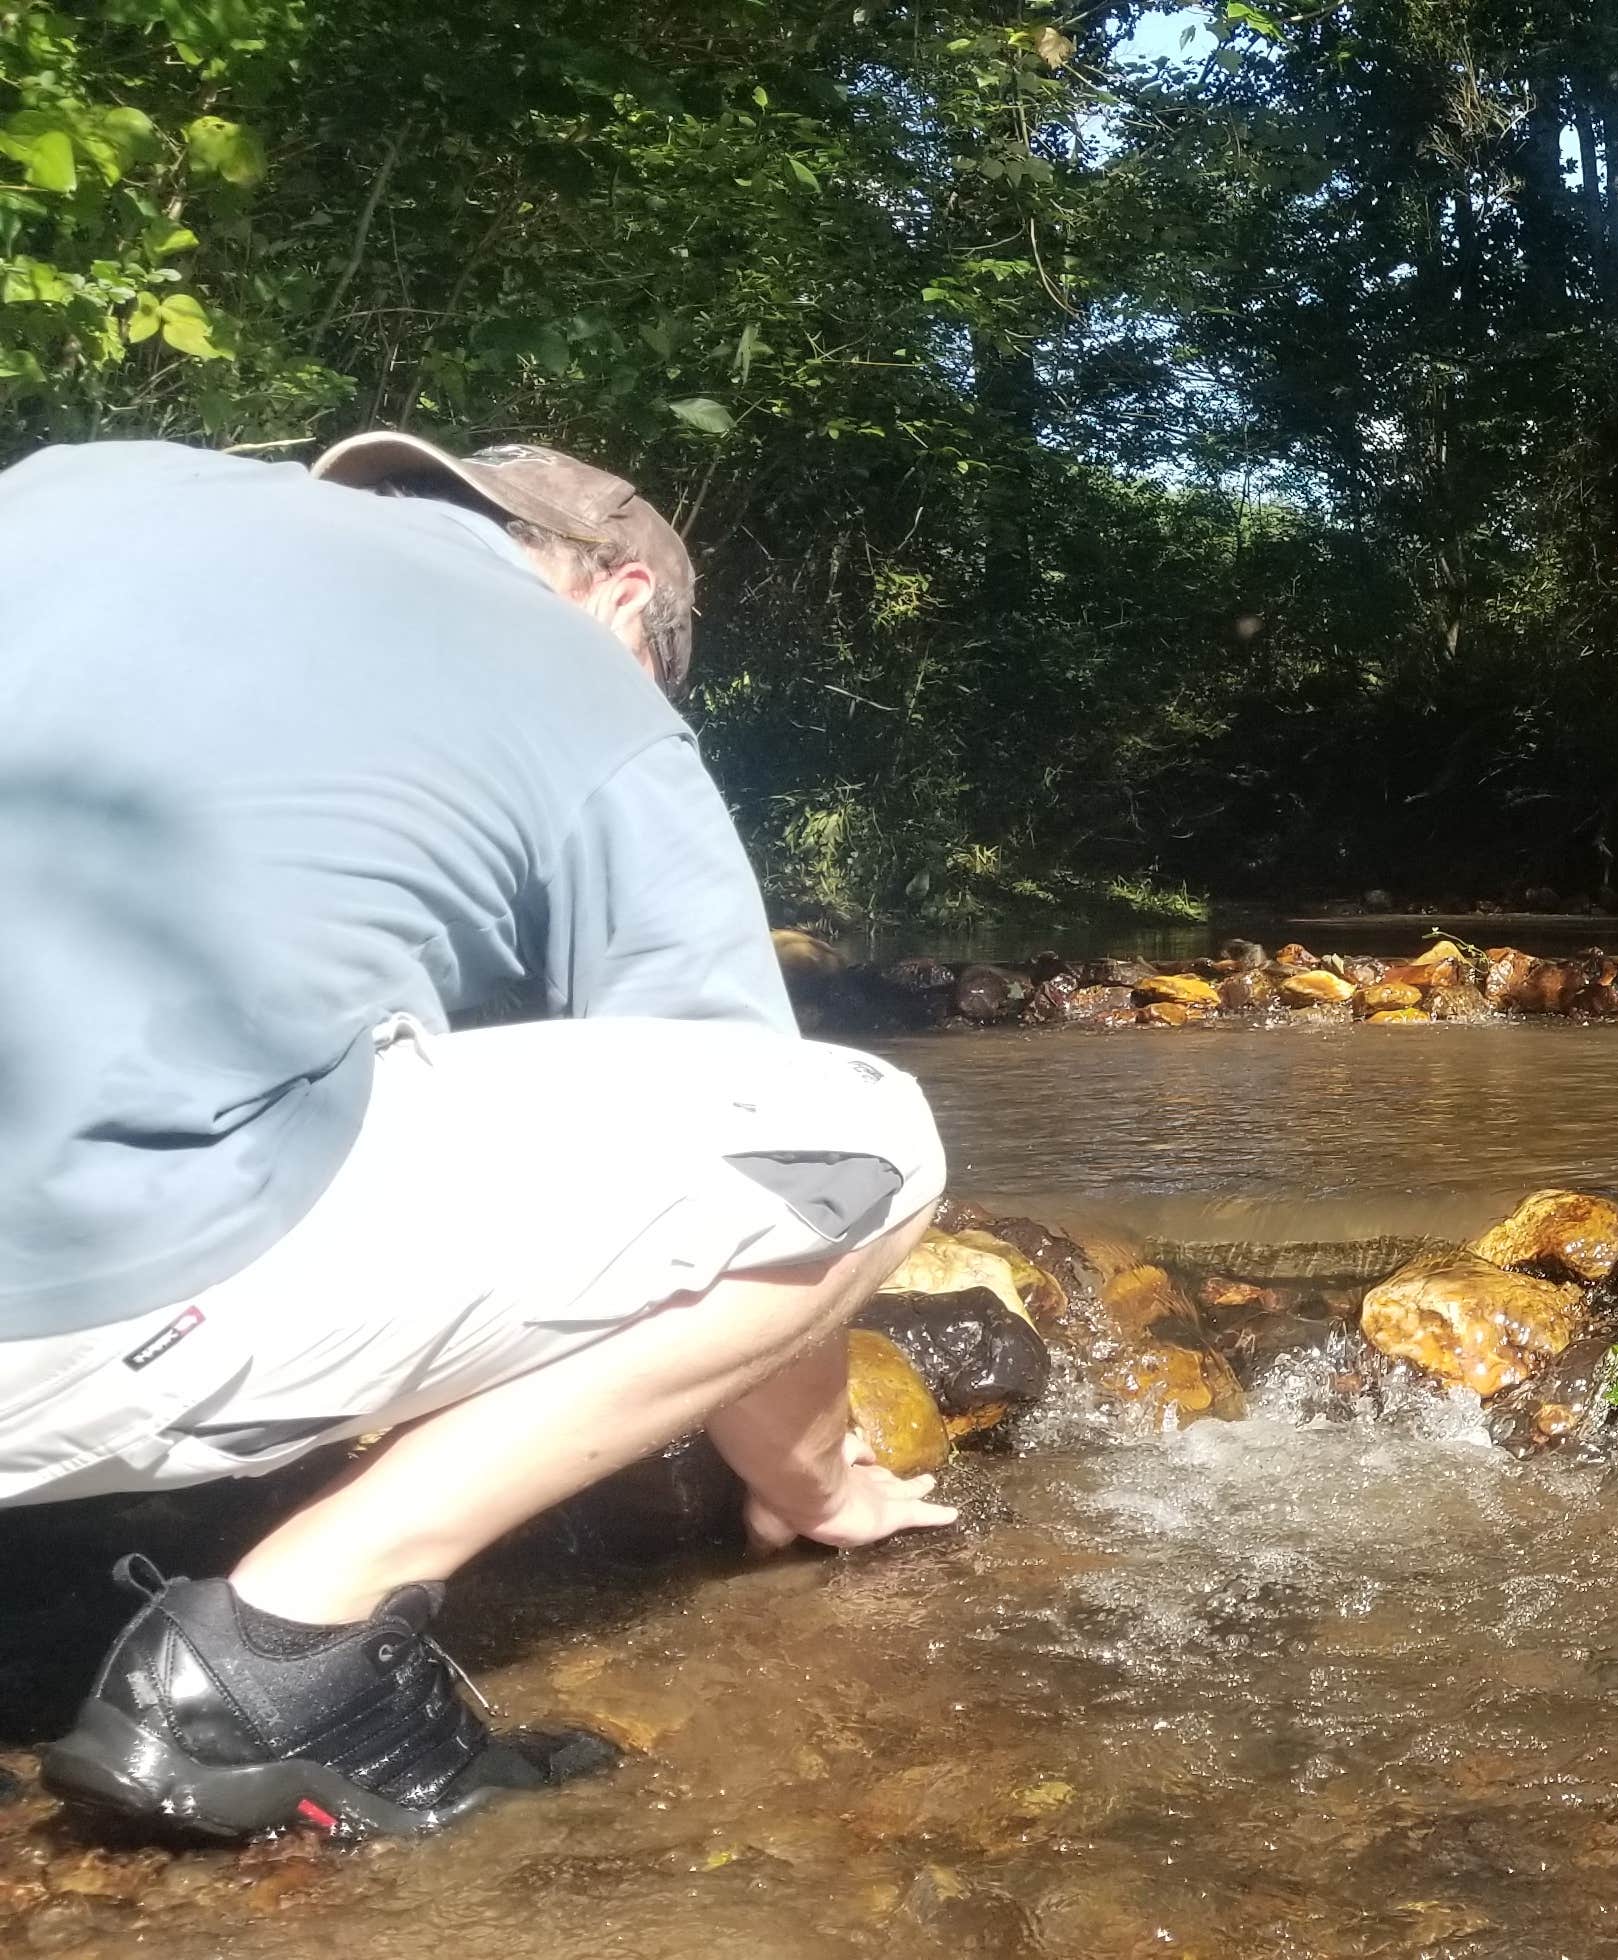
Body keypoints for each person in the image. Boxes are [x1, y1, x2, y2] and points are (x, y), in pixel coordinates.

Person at [0, 434, 958, 1842]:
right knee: (865, 1138)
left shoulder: (78, 487)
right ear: (625, 600)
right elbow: (777, 1149)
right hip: (58, 1327)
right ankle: (276, 1658)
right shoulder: (582, 678)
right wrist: (819, 1476)